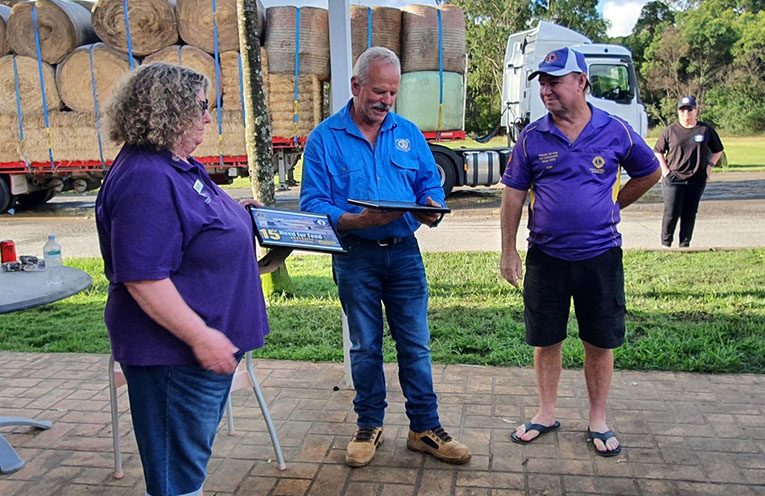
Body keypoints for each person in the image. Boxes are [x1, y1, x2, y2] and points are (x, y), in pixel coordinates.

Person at [95, 63, 269, 495]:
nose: (209, 117)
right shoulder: (146, 179)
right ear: (169, 110)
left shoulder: (173, 164)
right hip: (173, 357)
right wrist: (201, 337)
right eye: (201, 107)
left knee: (185, 467)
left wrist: (237, 217)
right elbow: (144, 279)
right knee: (176, 478)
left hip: (193, 352)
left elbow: (192, 225)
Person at [299, 47, 471, 467]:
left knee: (416, 344)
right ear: (356, 86)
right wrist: (356, 220)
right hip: (354, 255)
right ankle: (368, 425)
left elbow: (430, 185)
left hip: (404, 254)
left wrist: (431, 207)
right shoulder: (324, 139)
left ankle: (424, 428)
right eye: (379, 91)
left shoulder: (408, 132)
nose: (386, 100)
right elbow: (312, 204)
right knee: (365, 346)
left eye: (393, 93)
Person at [499, 48, 661, 457]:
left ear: (581, 82)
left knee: (599, 341)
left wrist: (614, 205)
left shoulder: (615, 130)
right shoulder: (532, 137)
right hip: (546, 257)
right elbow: (513, 195)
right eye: (543, 83)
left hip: (600, 256)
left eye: (555, 81)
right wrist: (508, 250)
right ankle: (546, 413)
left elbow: (650, 171)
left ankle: (598, 419)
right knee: (546, 339)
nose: (546, 90)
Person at [654, 96, 724, 248]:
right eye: (683, 110)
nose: (686, 113)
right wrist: (665, 171)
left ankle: (684, 245)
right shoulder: (671, 130)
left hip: (697, 179)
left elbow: (718, 150)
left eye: (689, 109)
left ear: (695, 111)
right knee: (671, 212)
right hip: (674, 179)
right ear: (678, 112)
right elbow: (658, 151)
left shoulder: (705, 130)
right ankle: (666, 244)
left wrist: (709, 167)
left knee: (689, 213)